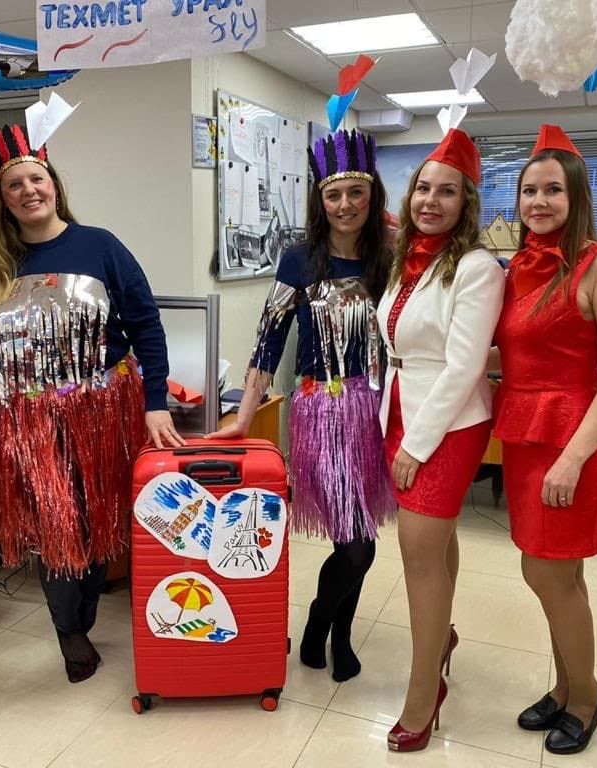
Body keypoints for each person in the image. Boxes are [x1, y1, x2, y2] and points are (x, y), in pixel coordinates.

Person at [0, 124, 184, 683]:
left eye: (35, 178)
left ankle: (84, 614)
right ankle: (69, 630)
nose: (27, 190)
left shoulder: (101, 246)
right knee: (57, 525)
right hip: (31, 421)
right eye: (13, 184)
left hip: (104, 411)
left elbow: (145, 324)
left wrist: (155, 400)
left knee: (97, 519)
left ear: (54, 184)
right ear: (1, 198)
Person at [208, 128, 395, 682]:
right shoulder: (298, 260)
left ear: (372, 195)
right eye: (334, 195)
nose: (345, 205)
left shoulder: (391, 258)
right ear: (320, 200)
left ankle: (333, 630)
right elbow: (268, 341)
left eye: (356, 193)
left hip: (378, 414)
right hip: (323, 415)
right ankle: (323, 624)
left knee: (359, 539)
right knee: (357, 546)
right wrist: (243, 418)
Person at [493, 124, 597, 755]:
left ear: (577, 197)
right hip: (527, 438)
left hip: (572, 440)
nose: (539, 201)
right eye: (529, 190)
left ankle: (586, 697)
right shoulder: (519, 267)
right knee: (555, 575)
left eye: (554, 189)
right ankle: (565, 686)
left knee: (549, 575)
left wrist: (575, 458)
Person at [379, 129, 505, 752]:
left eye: (446, 191)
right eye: (423, 188)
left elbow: (465, 368)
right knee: (437, 547)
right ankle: (442, 641)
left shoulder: (478, 267)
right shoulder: (408, 260)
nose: (431, 200)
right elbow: (397, 347)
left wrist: (416, 445)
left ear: (465, 202)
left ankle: (423, 695)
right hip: (400, 408)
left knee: (418, 556)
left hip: (446, 422)